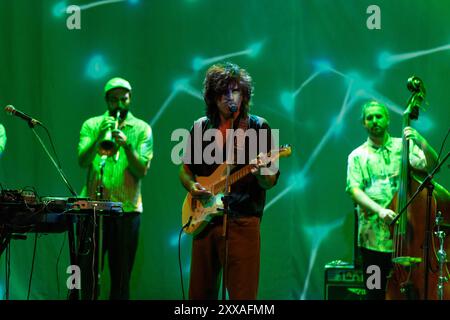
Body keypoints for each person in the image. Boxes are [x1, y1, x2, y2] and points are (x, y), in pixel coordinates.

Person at [179, 62, 281, 300]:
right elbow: (184, 171)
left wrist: (259, 173)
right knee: (199, 297)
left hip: (242, 222)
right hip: (204, 221)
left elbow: (270, 180)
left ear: (244, 94)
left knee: (242, 297)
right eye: (222, 92)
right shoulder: (201, 127)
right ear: (212, 98)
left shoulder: (257, 127)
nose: (229, 97)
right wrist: (192, 187)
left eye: (234, 90)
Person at [346, 100, 438, 300]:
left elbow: (431, 166)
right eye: (369, 118)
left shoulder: (403, 146)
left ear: (387, 120)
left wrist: (422, 141)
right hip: (372, 243)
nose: (374, 121)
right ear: (364, 123)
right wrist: (380, 210)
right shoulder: (357, 156)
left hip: (407, 241)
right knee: (375, 293)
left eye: (379, 116)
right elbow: (354, 190)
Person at [77, 77, 153, 300]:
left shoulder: (141, 129)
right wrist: (101, 135)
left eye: (124, 99)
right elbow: (82, 161)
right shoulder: (91, 125)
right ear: (106, 100)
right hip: (91, 210)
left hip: (126, 212)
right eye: (114, 100)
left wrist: (127, 146)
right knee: (87, 274)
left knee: (121, 279)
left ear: (130, 99)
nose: (119, 105)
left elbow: (141, 171)